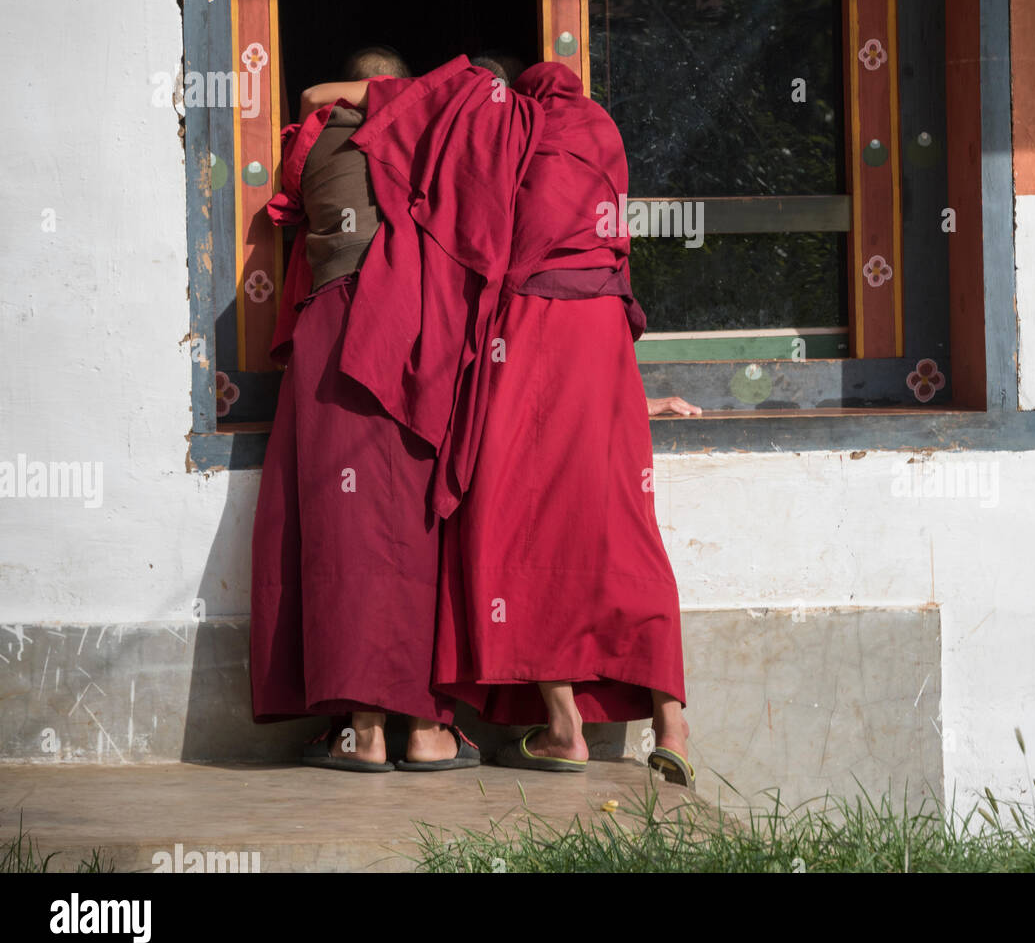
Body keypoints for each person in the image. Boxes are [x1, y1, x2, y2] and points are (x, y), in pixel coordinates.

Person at [249, 46, 542, 771]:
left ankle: (362, 731)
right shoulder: (431, 119)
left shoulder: (315, 141)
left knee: (339, 529)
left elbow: (316, 95)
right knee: (413, 530)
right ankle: (425, 730)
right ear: (393, 87)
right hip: (409, 333)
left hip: (328, 329)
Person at [428, 60, 701, 785]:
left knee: (521, 520)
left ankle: (563, 726)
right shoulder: (603, 130)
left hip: (532, 330)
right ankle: (671, 723)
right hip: (604, 332)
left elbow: (481, 236)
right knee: (624, 528)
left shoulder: (518, 126)